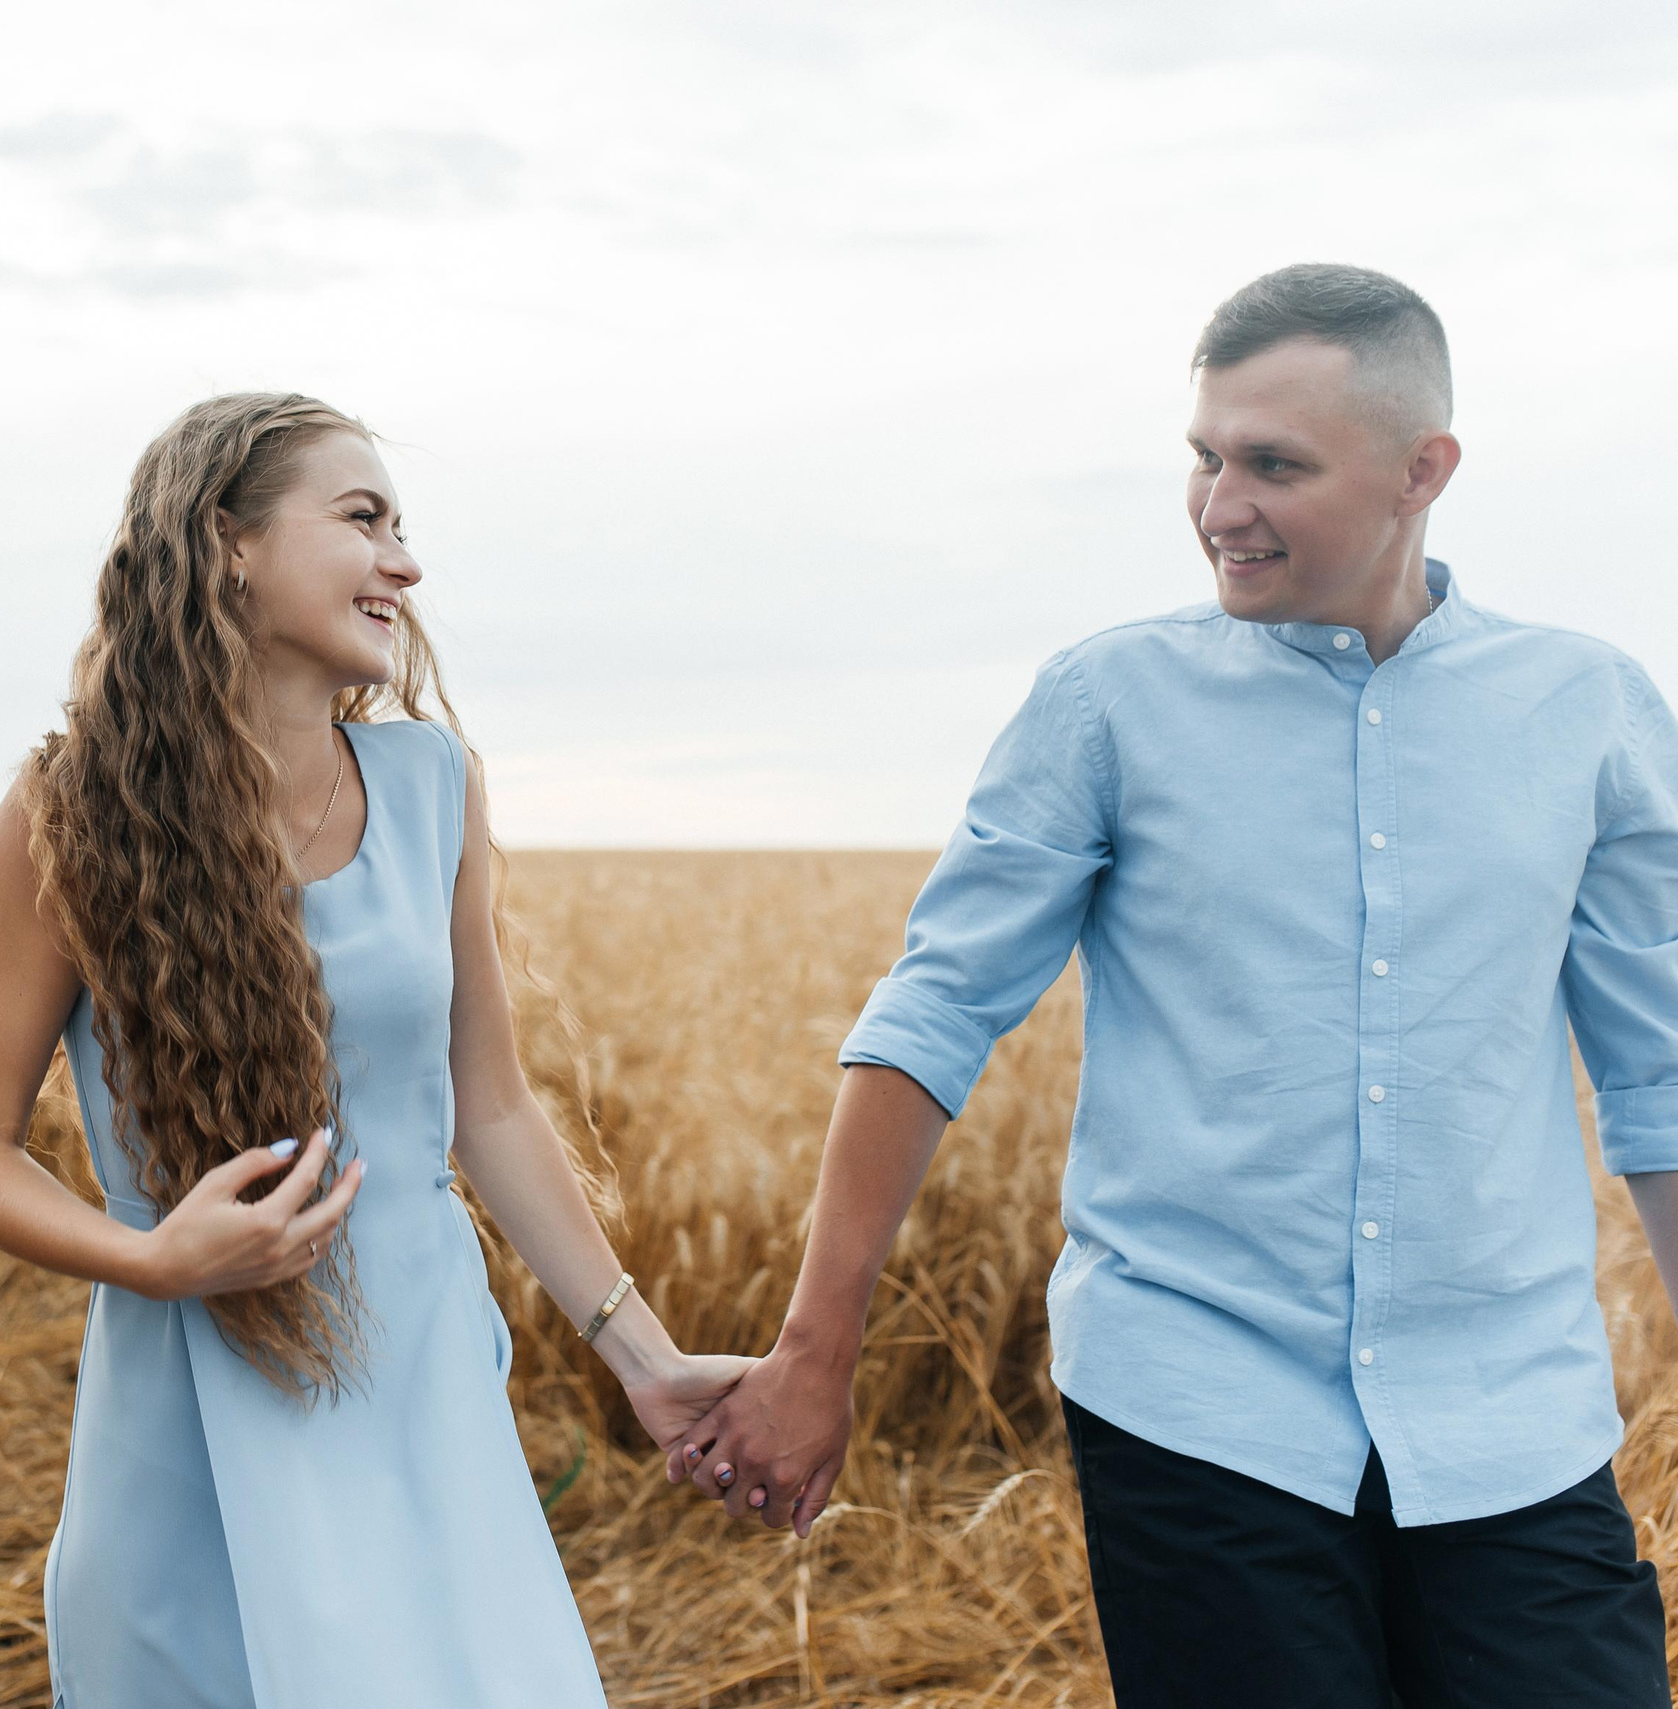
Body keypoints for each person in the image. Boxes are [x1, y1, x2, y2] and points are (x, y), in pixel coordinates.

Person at [672, 265, 1678, 1706]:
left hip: (1512, 1414)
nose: (1221, 505)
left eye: (1275, 464)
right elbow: (932, 1017)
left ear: (1423, 471)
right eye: (1204, 458)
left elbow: (1661, 1079)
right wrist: (813, 1353)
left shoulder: (1589, 712)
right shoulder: (1106, 706)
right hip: (1203, 1404)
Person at [0, 393, 749, 1708]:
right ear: (230, 544)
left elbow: (490, 1112)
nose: (404, 562)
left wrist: (647, 1364)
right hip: (191, 1399)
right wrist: (154, 1256)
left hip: (419, 1383)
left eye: (403, 527)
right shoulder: (64, 813)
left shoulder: (436, 785)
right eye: (362, 518)